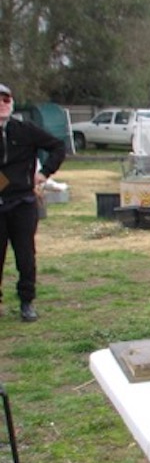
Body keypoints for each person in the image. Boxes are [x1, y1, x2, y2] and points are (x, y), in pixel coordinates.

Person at [0, 83, 66, 322]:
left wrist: (44, 172)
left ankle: (26, 302)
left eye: (6, 100)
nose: (2, 105)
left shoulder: (24, 130)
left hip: (22, 202)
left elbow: (58, 146)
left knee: (25, 255)